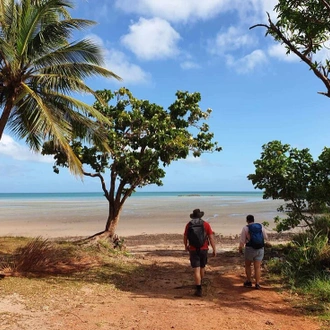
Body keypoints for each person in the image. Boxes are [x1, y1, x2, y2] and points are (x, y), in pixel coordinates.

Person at [183, 208, 216, 297]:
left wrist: (186, 246)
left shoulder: (189, 225)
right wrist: (214, 249)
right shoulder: (206, 224)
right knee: (202, 267)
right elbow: (211, 237)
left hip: (193, 249)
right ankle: (200, 283)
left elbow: (185, 236)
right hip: (204, 249)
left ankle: (198, 288)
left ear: (193, 216)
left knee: (196, 269)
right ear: (200, 216)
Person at [239, 214, 268, 290]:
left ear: (247, 220)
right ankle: (257, 283)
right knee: (257, 267)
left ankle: (249, 281)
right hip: (260, 248)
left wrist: (240, 248)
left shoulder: (245, 228)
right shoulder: (260, 226)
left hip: (250, 249)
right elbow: (265, 237)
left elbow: (242, 241)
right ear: (253, 220)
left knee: (248, 265)